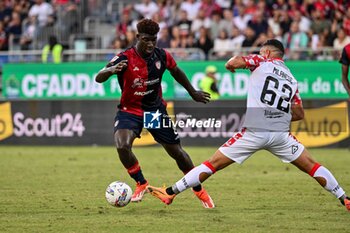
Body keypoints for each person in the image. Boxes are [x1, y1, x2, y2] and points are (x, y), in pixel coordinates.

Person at [147, 39, 350, 211]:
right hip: (280, 134)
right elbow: (299, 113)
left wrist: (231, 67)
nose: (260, 53)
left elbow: (232, 62)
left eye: (262, 51)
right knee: (313, 167)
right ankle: (344, 197)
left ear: (268, 52)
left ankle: (170, 193)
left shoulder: (262, 60)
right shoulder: (292, 79)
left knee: (212, 164)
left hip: (255, 131)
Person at [95, 19, 215, 208]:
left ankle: (199, 190)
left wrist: (192, 92)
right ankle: (141, 183)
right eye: (146, 40)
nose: (151, 44)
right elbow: (98, 77)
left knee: (177, 152)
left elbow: (176, 71)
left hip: (154, 111)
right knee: (122, 145)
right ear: (137, 38)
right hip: (130, 111)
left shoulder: (162, 56)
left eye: (154, 39)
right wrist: (110, 70)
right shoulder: (124, 57)